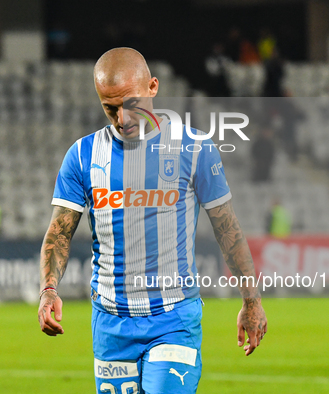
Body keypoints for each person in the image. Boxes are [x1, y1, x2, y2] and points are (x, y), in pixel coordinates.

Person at [38, 48, 267, 393]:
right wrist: (49, 289)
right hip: (110, 322)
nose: (122, 118)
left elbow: (227, 228)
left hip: (173, 317)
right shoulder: (83, 156)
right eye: (110, 108)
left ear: (153, 87)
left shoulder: (193, 148)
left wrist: (251, 301)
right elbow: (59, 232)